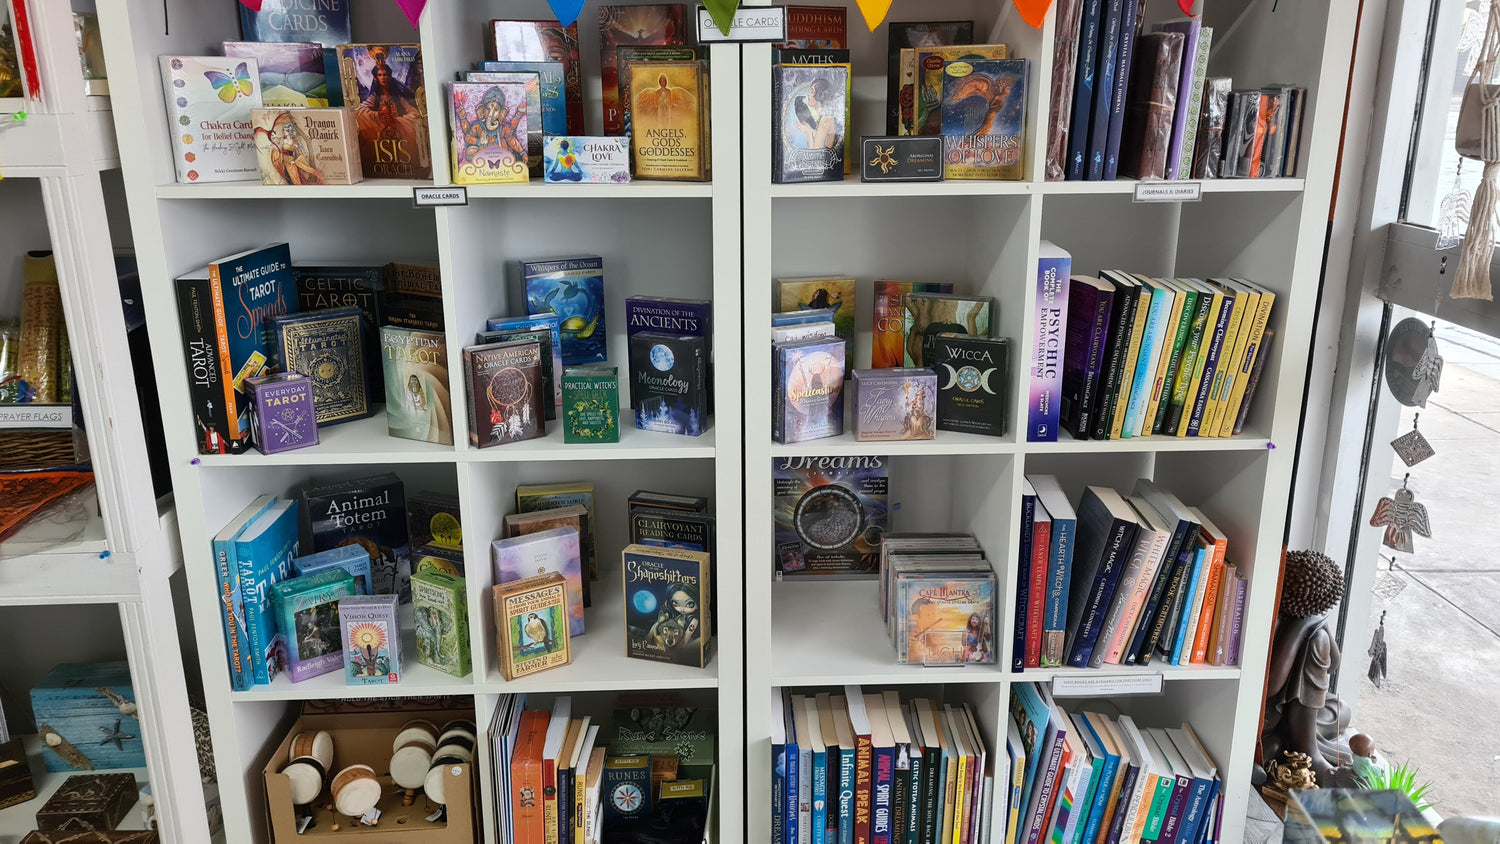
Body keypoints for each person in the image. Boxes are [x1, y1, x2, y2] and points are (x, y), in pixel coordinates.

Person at [794, 78, 840, 150]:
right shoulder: (824, 118)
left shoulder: (825, 120)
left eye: (812, 91)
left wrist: (808, 132)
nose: (809, 95)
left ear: (819, 95)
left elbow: (815, 152)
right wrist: (808, 130)